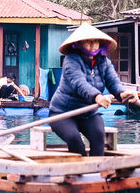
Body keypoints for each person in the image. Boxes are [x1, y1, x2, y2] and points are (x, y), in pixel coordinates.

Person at [48, 23, 132, 157]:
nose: (93, 45)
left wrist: (122, 93)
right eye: (88, 42)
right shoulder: (71, 60)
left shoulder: (103, 61)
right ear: (79, 44)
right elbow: (79, 83)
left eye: (95, 42)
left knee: (99, 136)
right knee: (74, 139)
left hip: (88, 113)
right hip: (63, 113)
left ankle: (97, 171)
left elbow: (113, 81)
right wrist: (97, 97)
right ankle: (79, 171)